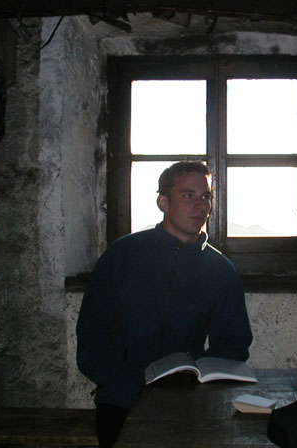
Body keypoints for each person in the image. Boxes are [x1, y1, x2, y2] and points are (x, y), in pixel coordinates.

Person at [76, 161, 253, 448]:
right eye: (188, 195)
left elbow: (234, 345)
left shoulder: (221, 270)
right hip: (122, 400)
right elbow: (91, 336)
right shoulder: (122, 256)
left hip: (190, 402)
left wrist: (197, 382)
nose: (200, 205)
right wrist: (124, 381)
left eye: (206, 196)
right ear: (163, 202)